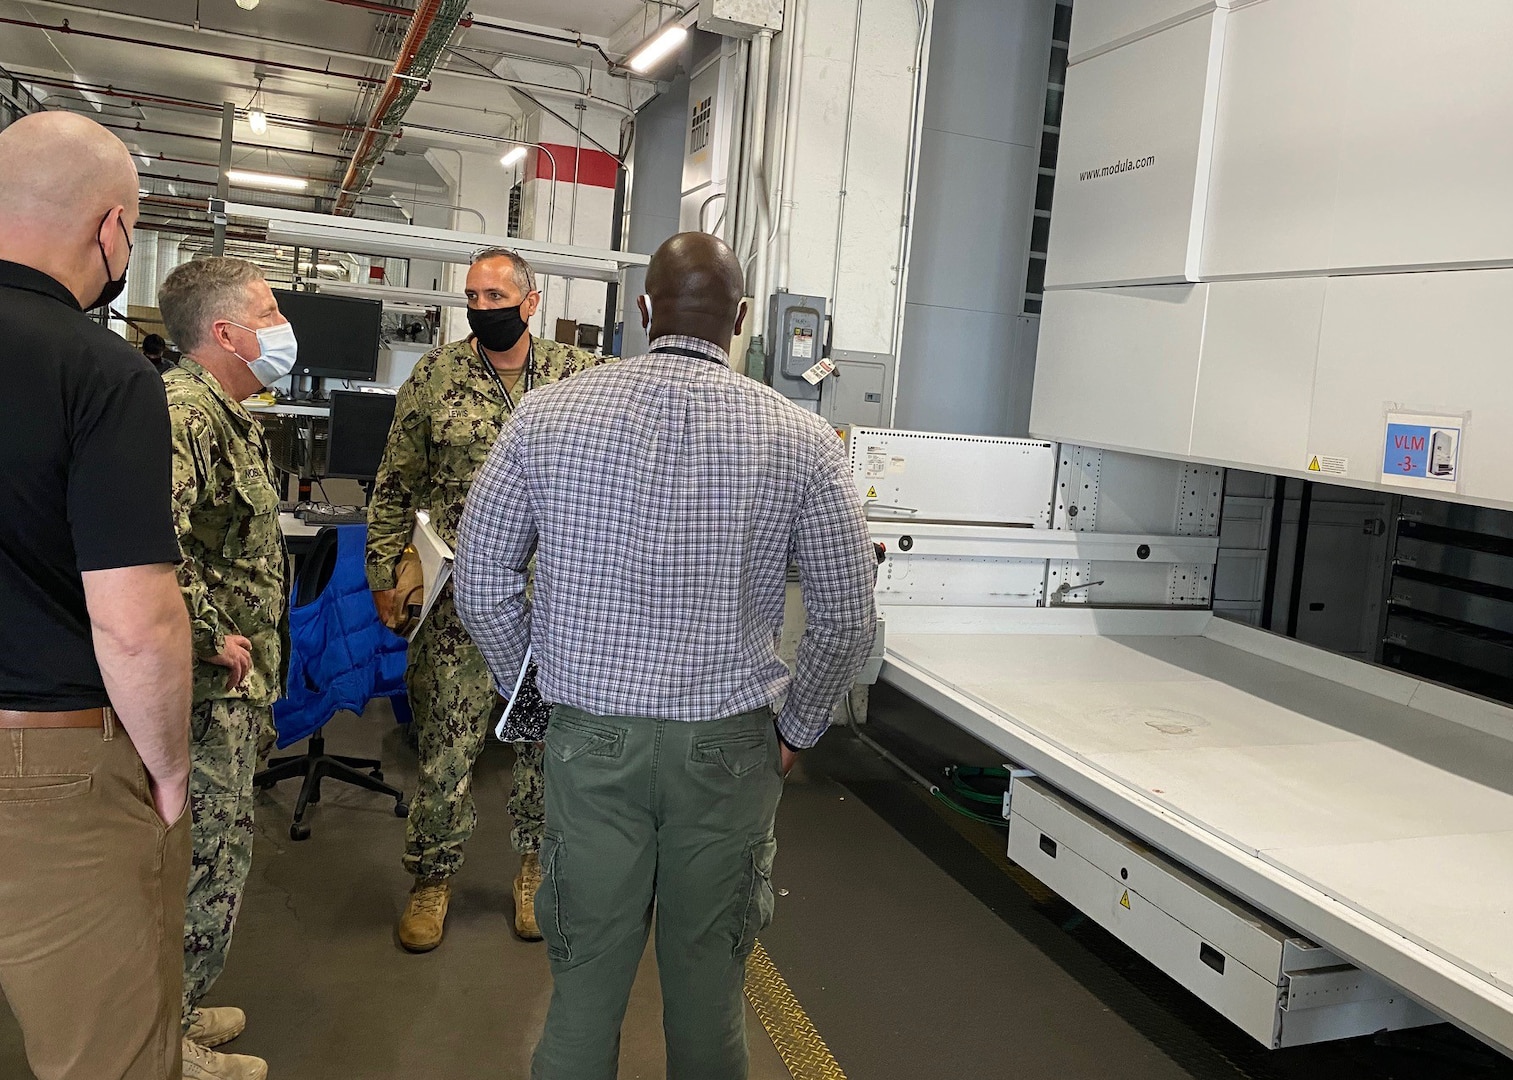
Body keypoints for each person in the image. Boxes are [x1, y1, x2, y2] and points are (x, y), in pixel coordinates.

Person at [453, 232, 879, 1080]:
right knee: (710, 992)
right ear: (744, 321)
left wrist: (529, 692)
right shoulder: (801, 438)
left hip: (590, 739)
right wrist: (794, 727)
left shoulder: (545, 415)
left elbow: (480, 580)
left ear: (642, 312)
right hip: (729, 748)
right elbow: (847, 617)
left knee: (582, 992)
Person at [0, 111, 194, 1080]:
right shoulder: (102, 373)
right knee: (104, 1058)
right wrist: (166, 768)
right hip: (48, 764)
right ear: (112, 229)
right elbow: (135, 618)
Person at [365, 247, 602, 950]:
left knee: (543, 743)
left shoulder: (578, 377)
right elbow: (394, 481)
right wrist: (383, 571)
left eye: (497, 297)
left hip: (555, 600)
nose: (483, 308)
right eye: (473, 297)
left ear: (531, 302)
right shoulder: (436, 375)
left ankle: (533, 869)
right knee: (446, 744)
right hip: (459, 599)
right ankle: (431, 878)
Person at [157, 257, 294, 1080]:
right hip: (207, 689)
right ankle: (159, 1046)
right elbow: (146, 535)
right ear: (227, 332)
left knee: (219, 853)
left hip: (237, 689)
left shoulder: (228, 414)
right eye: (269, 311)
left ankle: (175, 1003)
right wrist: (210, 632)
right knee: (202, 858)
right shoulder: (185, 414)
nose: (281, 324)